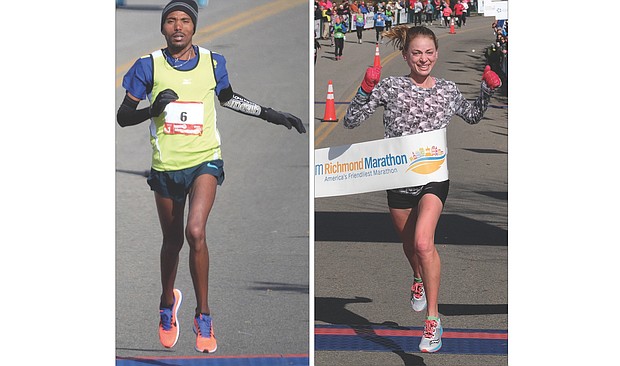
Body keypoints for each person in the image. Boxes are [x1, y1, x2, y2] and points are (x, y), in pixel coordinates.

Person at [116, 0, 306, 354]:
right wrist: (152, 110)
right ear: (162, 28)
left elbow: (229, 99)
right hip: (166, 166)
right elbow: (123, 117)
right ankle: (166, 303)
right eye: (170, 20)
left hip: (205, 160)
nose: (177, 26)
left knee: (196, 231)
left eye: (184, 20)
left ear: (194, 26)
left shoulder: (213, 61)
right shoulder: (148, 66)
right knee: (172, 242)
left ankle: (204, 314)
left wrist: (271, 114)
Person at [343, 25, 501, 353]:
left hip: (433, 177)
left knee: (424, 243)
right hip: (397, 179)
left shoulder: (447, 89)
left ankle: (433, 320)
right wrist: (365, 88)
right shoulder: (391, 87)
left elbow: (471, 117)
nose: (423, 58)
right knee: (411, 248)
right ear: (405, 56)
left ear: (437, 54)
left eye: (429, 52)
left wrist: (486, 90)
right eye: (417, 53)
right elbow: (351, 121)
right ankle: (417, 278)